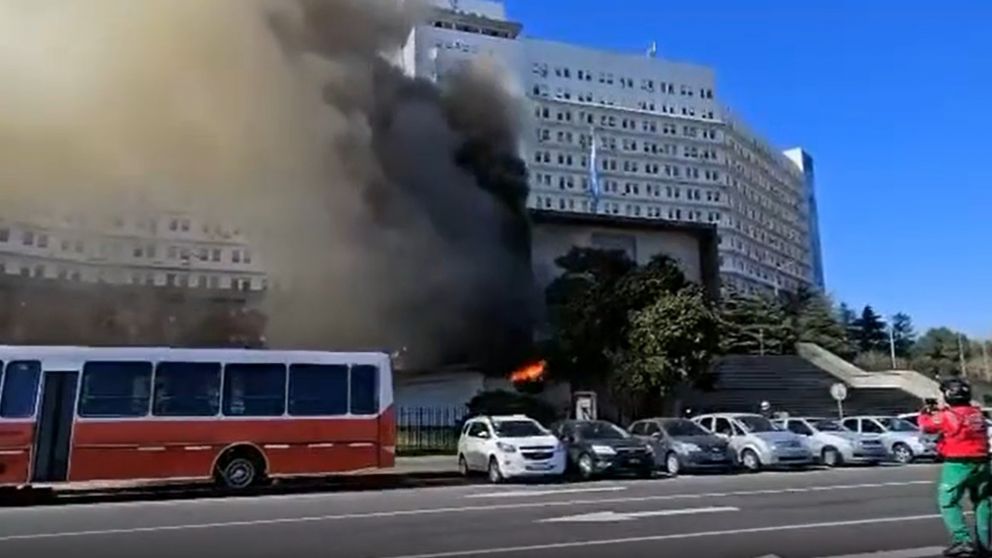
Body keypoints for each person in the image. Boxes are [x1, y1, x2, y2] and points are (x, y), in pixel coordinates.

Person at [919, 378, 991, 557]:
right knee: (982, 502)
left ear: (949, 395)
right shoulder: (977, 413)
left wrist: (924, 412)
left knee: (948, 501)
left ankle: (962, 540)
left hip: (958, 463)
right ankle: (985, 543)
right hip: (982, 462)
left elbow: (926, 426)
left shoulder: (947, 415)